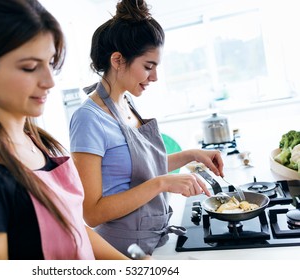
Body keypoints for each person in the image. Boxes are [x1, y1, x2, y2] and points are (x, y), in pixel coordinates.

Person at [0, 0, 129, 260]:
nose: (49, 81)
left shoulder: (36, 141)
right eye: (29, 67)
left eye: (50, 63)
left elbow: (74, 230)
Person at [69, 0, 224, 256]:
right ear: (118, 60)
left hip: (154, 241)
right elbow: (92, 213)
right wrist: (162, 184)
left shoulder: (126, 103)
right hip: (121, 251)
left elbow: (141, 170)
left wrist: (193, 155)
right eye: (148, 67)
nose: (154, 77)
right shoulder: (89, 119)